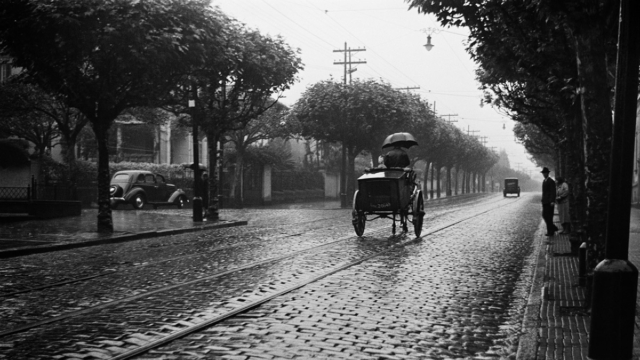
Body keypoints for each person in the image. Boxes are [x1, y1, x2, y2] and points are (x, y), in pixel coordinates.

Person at [541, 167, 558, 236]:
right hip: (545, 201)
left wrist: (552, 201)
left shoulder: (551, 181)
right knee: (544, 215)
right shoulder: (544, 181)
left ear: (548, 173)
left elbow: (553, 192)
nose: (544, 174)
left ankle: (550, 232)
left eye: (545, 173)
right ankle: (553, 227)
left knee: (549, 217)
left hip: (549, 202)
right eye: (543, 173)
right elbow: (544, 192)